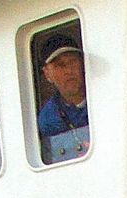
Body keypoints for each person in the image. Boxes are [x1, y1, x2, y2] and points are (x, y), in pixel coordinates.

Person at [37, 34, 91, 162]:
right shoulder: (48, 118)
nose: (68, 70)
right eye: (59, 65)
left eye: (72, 61)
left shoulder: (106, 97)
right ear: (47, 74)